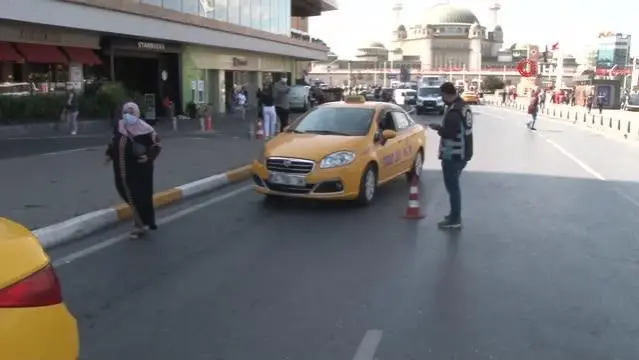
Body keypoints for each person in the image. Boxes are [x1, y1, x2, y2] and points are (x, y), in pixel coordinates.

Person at [105, 102, 162, 239]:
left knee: (138, 197)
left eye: (131, 113)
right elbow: (114, 142)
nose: (128, 116)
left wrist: (148, 156)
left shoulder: (146, 129)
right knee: (127, 194)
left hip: (141, 171)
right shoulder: (119, 126)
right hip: (121, 170)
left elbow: (157, 144)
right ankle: (142, 221)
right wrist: (109, 154)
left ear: (137, 113)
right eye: (126, 112)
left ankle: (139, 225)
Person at [428, 82, 473, 229]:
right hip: (464, 152)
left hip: (453, 154)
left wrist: (438, 129)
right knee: (454, 186)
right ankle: (454, 215)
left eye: (442, 96)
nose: (442, 99)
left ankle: (455, 218)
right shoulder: (464, 106)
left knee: (452, 187)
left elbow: (451, 134)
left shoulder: (454, 111)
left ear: (447, 94)